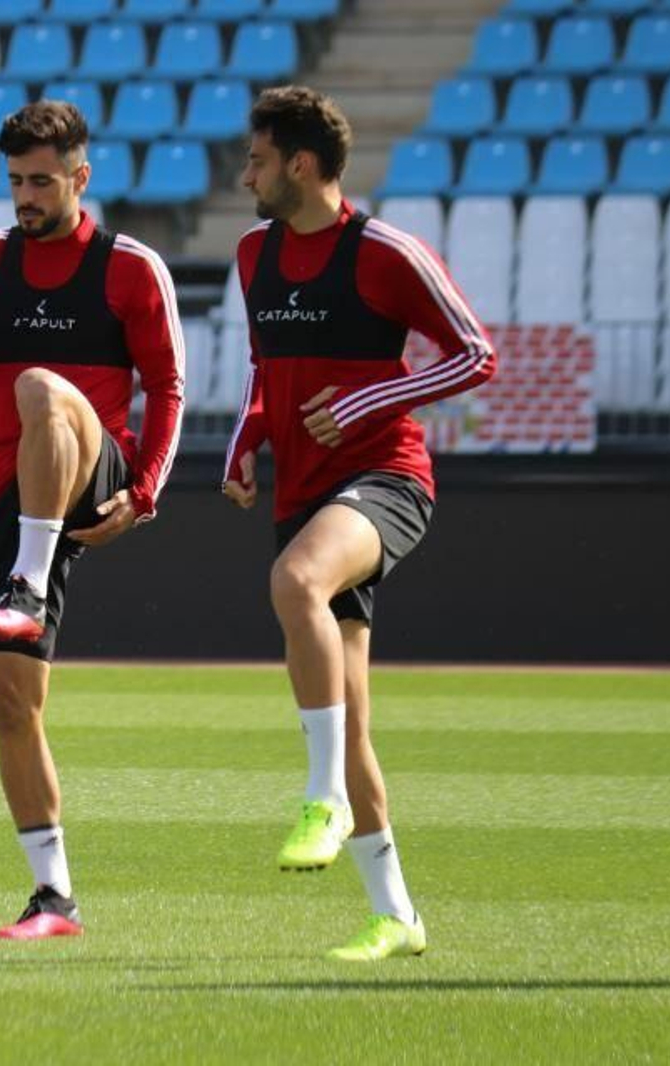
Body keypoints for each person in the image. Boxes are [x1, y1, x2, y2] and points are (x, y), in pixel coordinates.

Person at [0, 101, 185, 940]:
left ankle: (27, 580)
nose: (25, 195)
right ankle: (54, 897)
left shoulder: (130, 267)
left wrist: (148, 491)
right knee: (10, 702)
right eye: (16, 180)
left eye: (41, 180)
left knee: (40, 388)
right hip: (14, 492)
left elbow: (168, 386)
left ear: (80, 178)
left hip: (100, 472)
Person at [222, 86, 496, 961]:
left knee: (295, 580)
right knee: (353, 719)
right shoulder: (252, 252)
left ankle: (322, 798)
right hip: (303, 493)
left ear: (300, 165)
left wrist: (377, 395)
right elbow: (268, 370)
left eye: (258, 160)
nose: (246, 174)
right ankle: (398, 916)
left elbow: (476, 353)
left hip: (387, 480)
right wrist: (243, 440)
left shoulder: (384, 252)